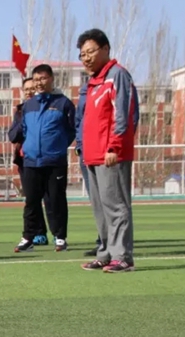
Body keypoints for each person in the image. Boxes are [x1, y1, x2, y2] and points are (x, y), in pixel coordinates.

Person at [77, 29, 139, 273]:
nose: (86, 58)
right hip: (92, 155)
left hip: (110, 155)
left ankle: (123, 257)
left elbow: (122, 114)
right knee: (100, 208)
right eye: (82, 54)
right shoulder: (93, 83)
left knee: (116, 206)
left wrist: (114, 146)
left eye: (90, 52)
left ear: (105, 49)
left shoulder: (117, 76)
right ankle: (105, 253)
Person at [8, 64, 75, 253]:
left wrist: (58, 145)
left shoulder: (63, 103)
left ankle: (60, 237)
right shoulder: (28, 106)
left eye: (43, 78)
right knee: (31, 201)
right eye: (36, 79)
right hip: (31, 161)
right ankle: (28, 237)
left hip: (55, 161)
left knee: (56, 200)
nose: (39, 83)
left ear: (52, 79)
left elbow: (73, 129)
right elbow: (23, 130)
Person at [10, 77, 50, 246]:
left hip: (46, 159)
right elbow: (13, 135)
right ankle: (38, 232)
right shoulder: (20, 111)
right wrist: (24, 120)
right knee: (32, 199)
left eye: (32, 89)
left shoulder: (48, 108)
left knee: (51, 198)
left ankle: (59, 234)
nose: (29, 92)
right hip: (26, 160)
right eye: (26, 89)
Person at [76, 76, 101, 257]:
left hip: (106, 152)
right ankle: (104, 242)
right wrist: (79, 145)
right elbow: (79, 121)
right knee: (96, 200)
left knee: (111, 201)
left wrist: (115, 147)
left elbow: (127, 117)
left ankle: (119, 249)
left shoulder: (116, 80)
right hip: (86, 151)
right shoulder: (85, 91)